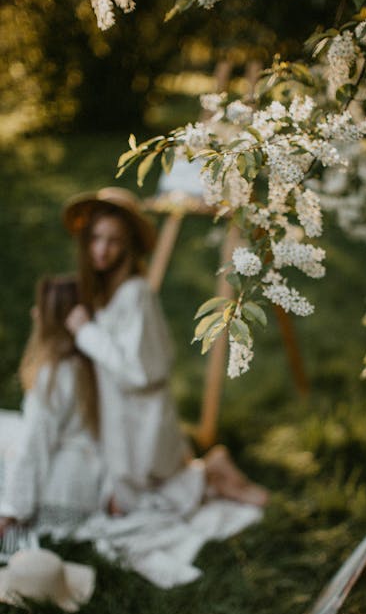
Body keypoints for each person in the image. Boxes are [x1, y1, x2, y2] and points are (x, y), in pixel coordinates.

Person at [63, 187, 268, 515]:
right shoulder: (105, 290)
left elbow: (136, 371)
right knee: (116, 501)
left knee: (132, 507)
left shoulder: (135, 293)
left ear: (128, 245)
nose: (102, 249)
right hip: (120, 414)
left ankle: (210, 474)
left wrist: (85, 333)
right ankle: (207, 471)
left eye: (113, 240)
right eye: (96, 238)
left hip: (142, 417)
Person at [0, 276, 105, 536]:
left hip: (62, 495)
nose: (34, 313)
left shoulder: (53, 375)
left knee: (14, 440)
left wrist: (13, 508)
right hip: (92, 480)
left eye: (41, 309)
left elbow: (34, 444)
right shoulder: (88, 364)